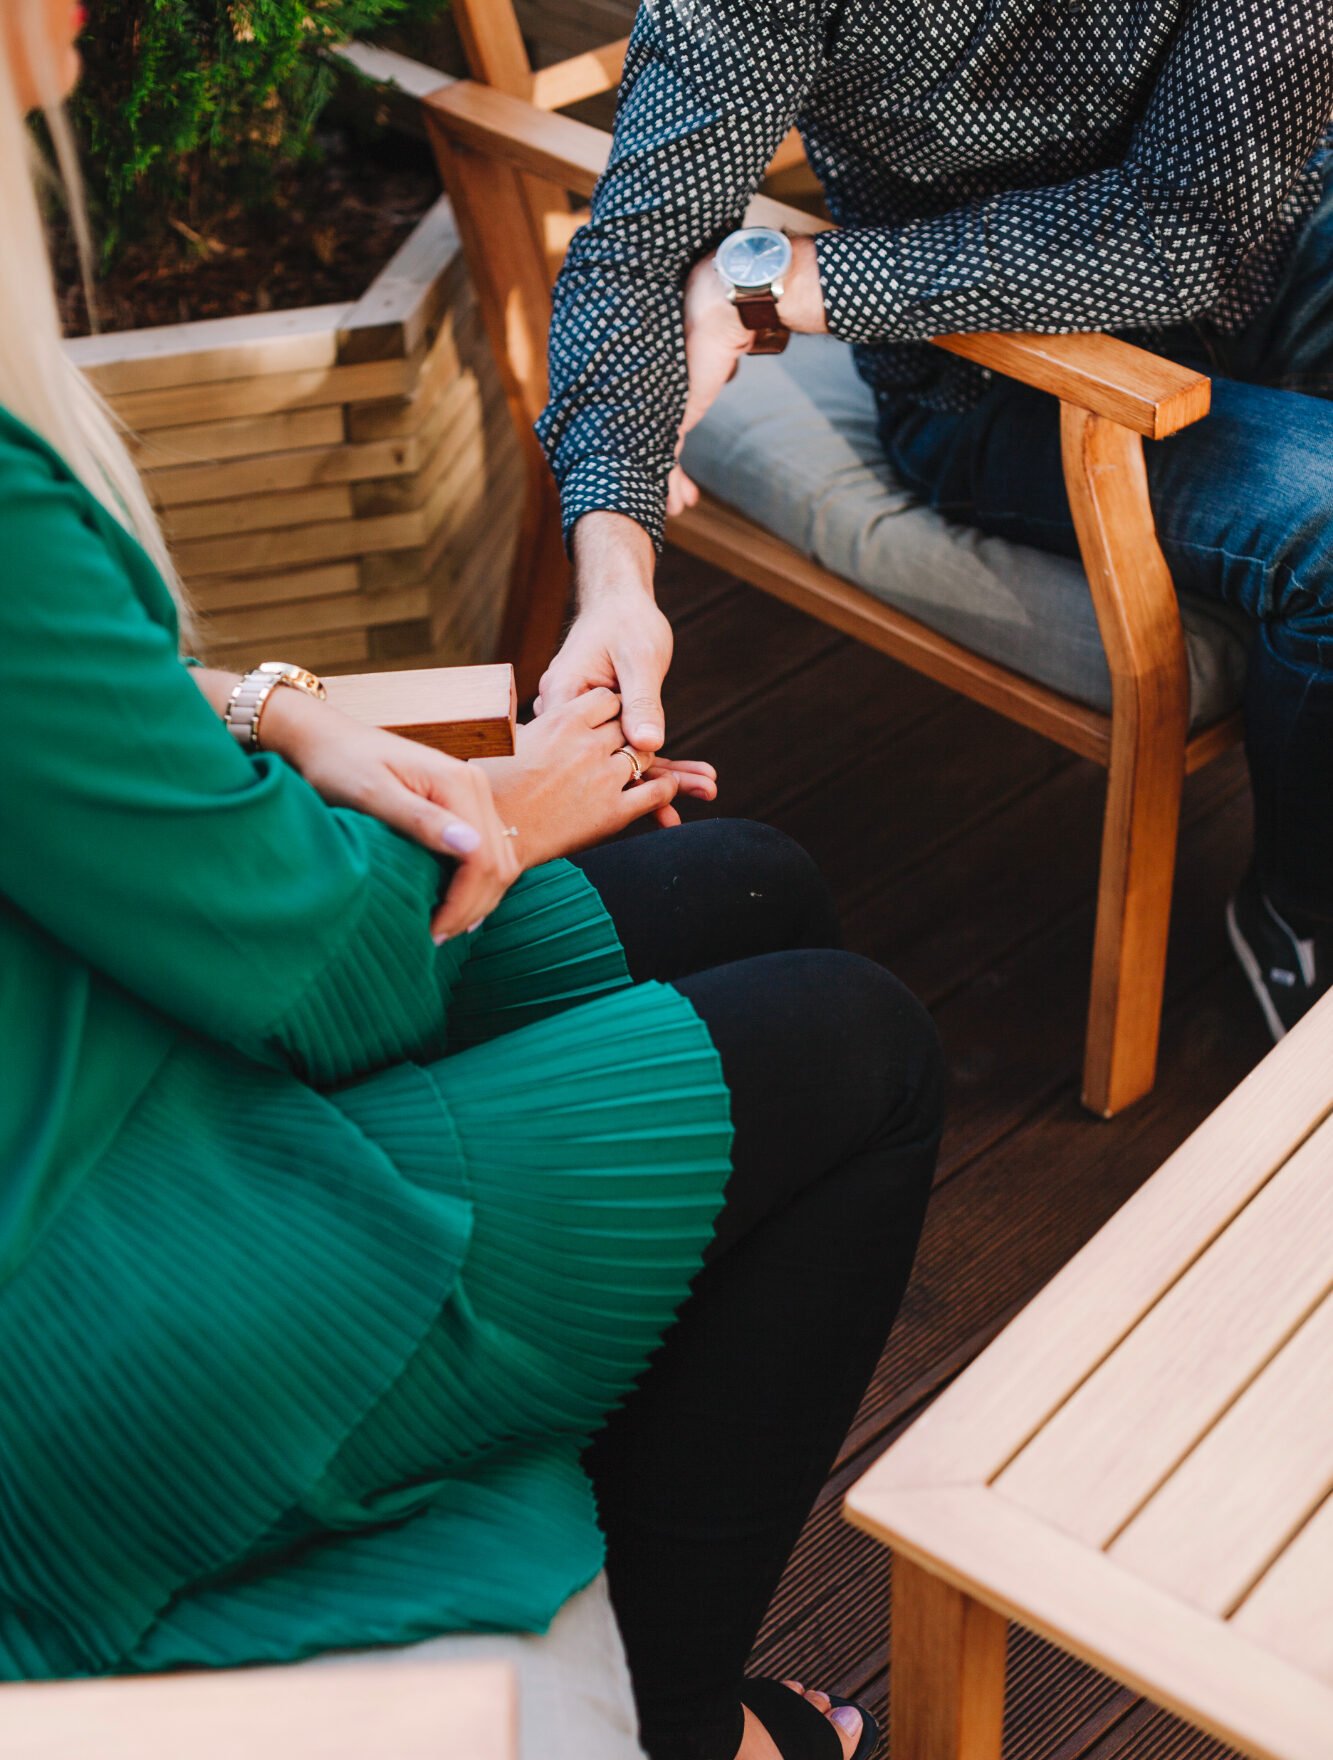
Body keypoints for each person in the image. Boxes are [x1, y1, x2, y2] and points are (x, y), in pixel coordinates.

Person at [0, 5, 943, 1758]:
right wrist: (518, 802)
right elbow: (314, 975)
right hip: (93, 1309)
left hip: (104, 1052)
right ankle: (673, 1727)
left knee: (742, 890)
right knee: (860, 1051)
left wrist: (269, 704)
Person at [538, 0, 1333, 1043]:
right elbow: (640, 253)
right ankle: (1299, 912)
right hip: (989, 389)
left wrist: (789, 282)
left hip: (1277, 237)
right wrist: (616, 571)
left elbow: (1196, 233)